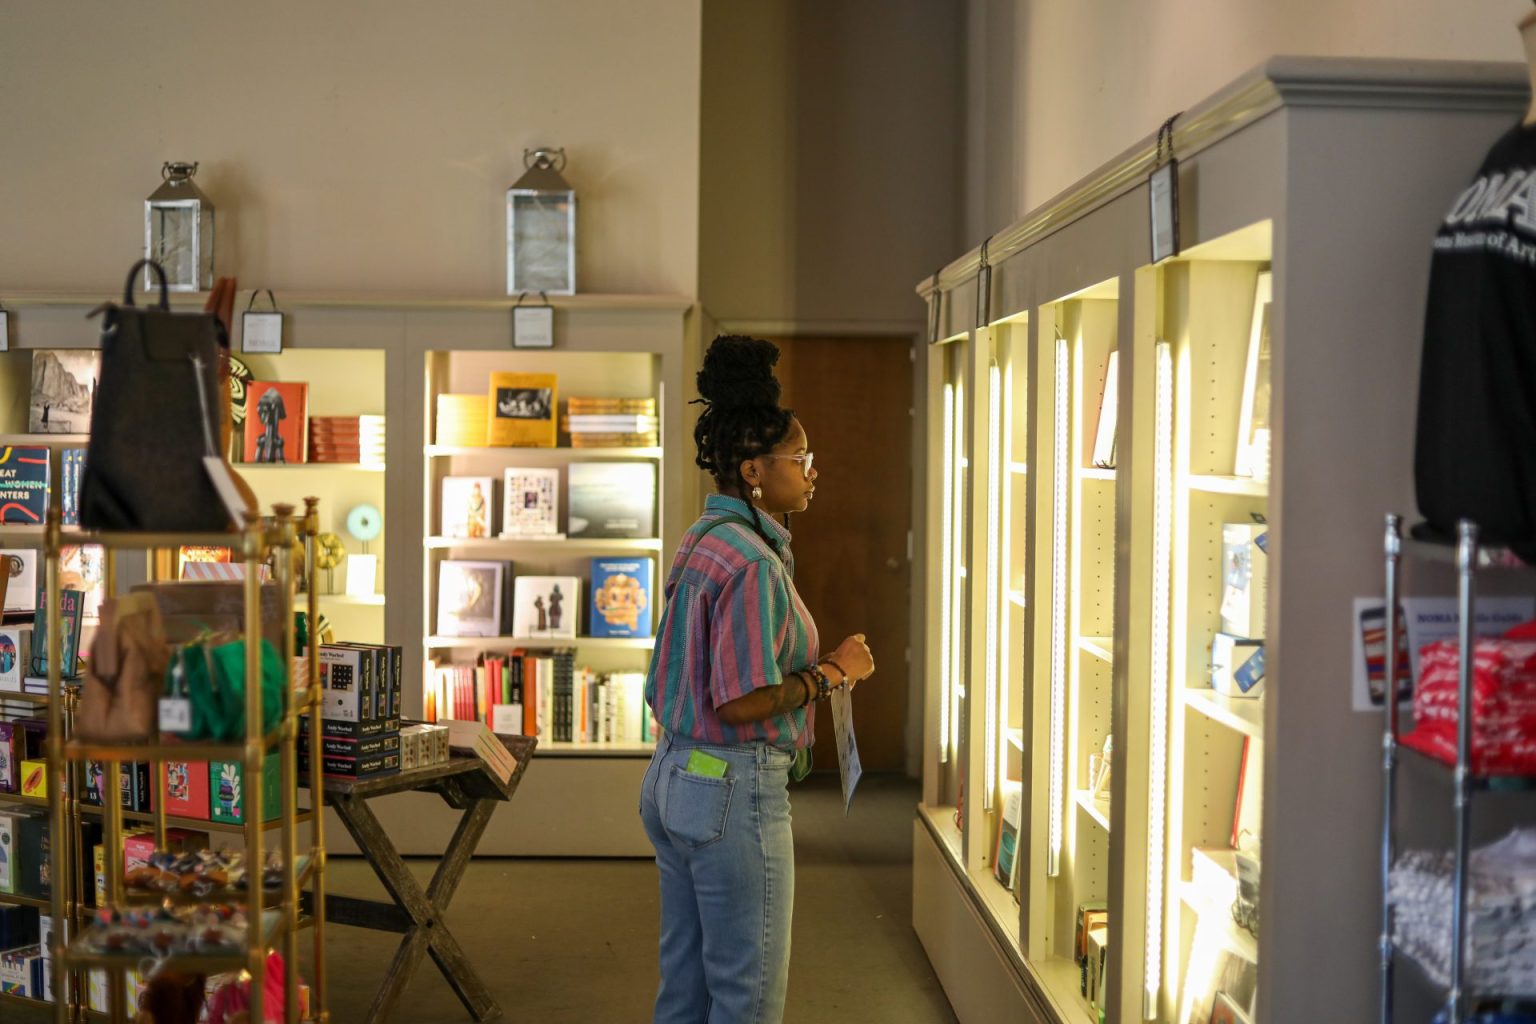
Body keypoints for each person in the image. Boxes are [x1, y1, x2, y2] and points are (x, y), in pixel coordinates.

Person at [640, 334, 876, 1024]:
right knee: (747, 995)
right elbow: (740, 701)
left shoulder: (704, 538)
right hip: (729, 786)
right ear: (753, 471)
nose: (811, 472)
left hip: (672, 774)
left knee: (685, 988)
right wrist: (832, 672)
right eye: (800, 459)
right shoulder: (752, 563)